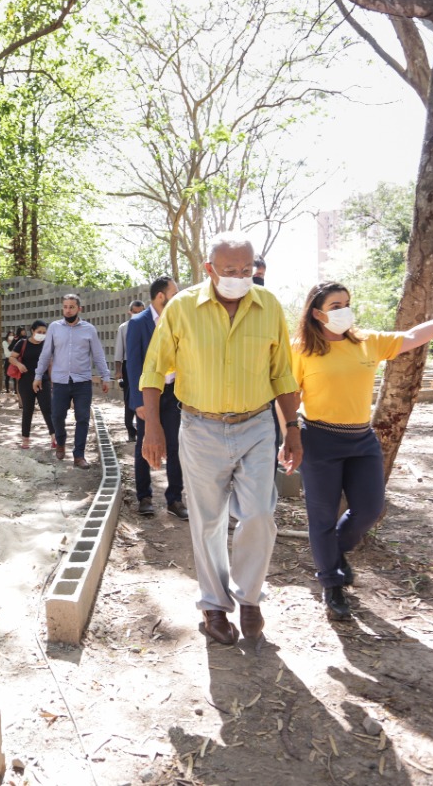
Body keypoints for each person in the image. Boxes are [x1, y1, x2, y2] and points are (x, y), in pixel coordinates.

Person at [292, 282, 433, 621]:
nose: (344, 310)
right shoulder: (299, 349)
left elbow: (415, 335)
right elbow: (287, 395)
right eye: (335, 305)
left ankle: (335, 553)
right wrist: (285, 438)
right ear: (317, 312)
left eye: (347, 303)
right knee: (322, 517)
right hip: (319, 439)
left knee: (370, 509)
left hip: (361, 439)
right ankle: (331, 583)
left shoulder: (367, 342)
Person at [139, 232, 301, 647]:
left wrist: (293, 429)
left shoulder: (268, 308)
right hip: (200, 427)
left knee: (260, 516)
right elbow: (155, 370)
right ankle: (214, 606)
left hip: (256, 426)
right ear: (209, 269)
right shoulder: (182, 308)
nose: (239, 277)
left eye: (246, 270)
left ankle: (249, 599)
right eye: (230, 271)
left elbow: (282, 372)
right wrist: (153, 427)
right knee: (208, 520)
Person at [125, 277, 185, 520]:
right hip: (147, 394)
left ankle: (175, 499)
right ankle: (145, 497)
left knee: (175, 446)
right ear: (161, 296)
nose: (178, 296)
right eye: (174, 292)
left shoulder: (178, 321)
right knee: (144, 445)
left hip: (172, 394)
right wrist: (138, 401)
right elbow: (134, 363)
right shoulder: (138, 323)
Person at [33, 294, 111, 469]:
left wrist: (105, 377)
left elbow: (98, 355)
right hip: (60, 381)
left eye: (71, 307)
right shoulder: (54, 328)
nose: (68, 310)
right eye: (65, 307)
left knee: (82, 418)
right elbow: (46, 354)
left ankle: (79, 455)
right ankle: (60, 442)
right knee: (57, 415)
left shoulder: (89, 329)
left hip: (82, 381)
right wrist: (38, 376)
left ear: (79, 309)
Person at [8, 321, 56, 449]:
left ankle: (54, 438)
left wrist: (52, 382)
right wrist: (19, 364)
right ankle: (25, 439)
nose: (41, 335)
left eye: (44, 333)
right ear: (32, 331)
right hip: (26, 381)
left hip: (43, 381)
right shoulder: (22, 343)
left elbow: (50, 364)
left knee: (47, 409)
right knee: (27, 410)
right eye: (39, 332)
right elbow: (11, 357)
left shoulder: (46, 345)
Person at [115, 300, 147, 441]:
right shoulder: (124, 327)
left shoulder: (150, 325)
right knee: (130, 398)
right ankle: (130, 428)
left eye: (141, 312)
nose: (138, 315)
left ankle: (145, 429)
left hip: (146, 365)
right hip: (129, 366)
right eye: (135, 312)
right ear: (130, 312)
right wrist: (118, 371)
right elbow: (119, 351)